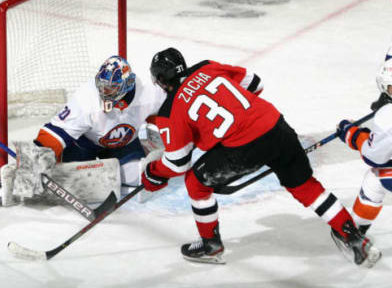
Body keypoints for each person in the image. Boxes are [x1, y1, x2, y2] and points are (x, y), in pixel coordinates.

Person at [140, 47, 382, 267]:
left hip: (243, 147)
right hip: (276, 126)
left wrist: (153, 174)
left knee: (195, 181)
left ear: (161, 81)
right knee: (305, 186)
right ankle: (353, 237)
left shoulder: (170, 110)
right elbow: (255, 84)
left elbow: (177, 162)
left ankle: (210, 246)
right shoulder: (206, 66)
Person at [0, 55, 165, 207]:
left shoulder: (149, 95)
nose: (105, 92)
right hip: (84, 143)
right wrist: (27, 169)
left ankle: (142, 153)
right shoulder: (87, 99)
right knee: (53, 171)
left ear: (128, 84)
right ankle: (6, 181)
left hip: (125, 144)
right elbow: (52, 137)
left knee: (139, 178)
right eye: (102, 86)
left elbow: (170, 117)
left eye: (111, 88)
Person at [335, 60, 392, 237]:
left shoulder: (388, 115)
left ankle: (354, 234)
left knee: (375, 180)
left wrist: (351, 134)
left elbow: (374, 157)